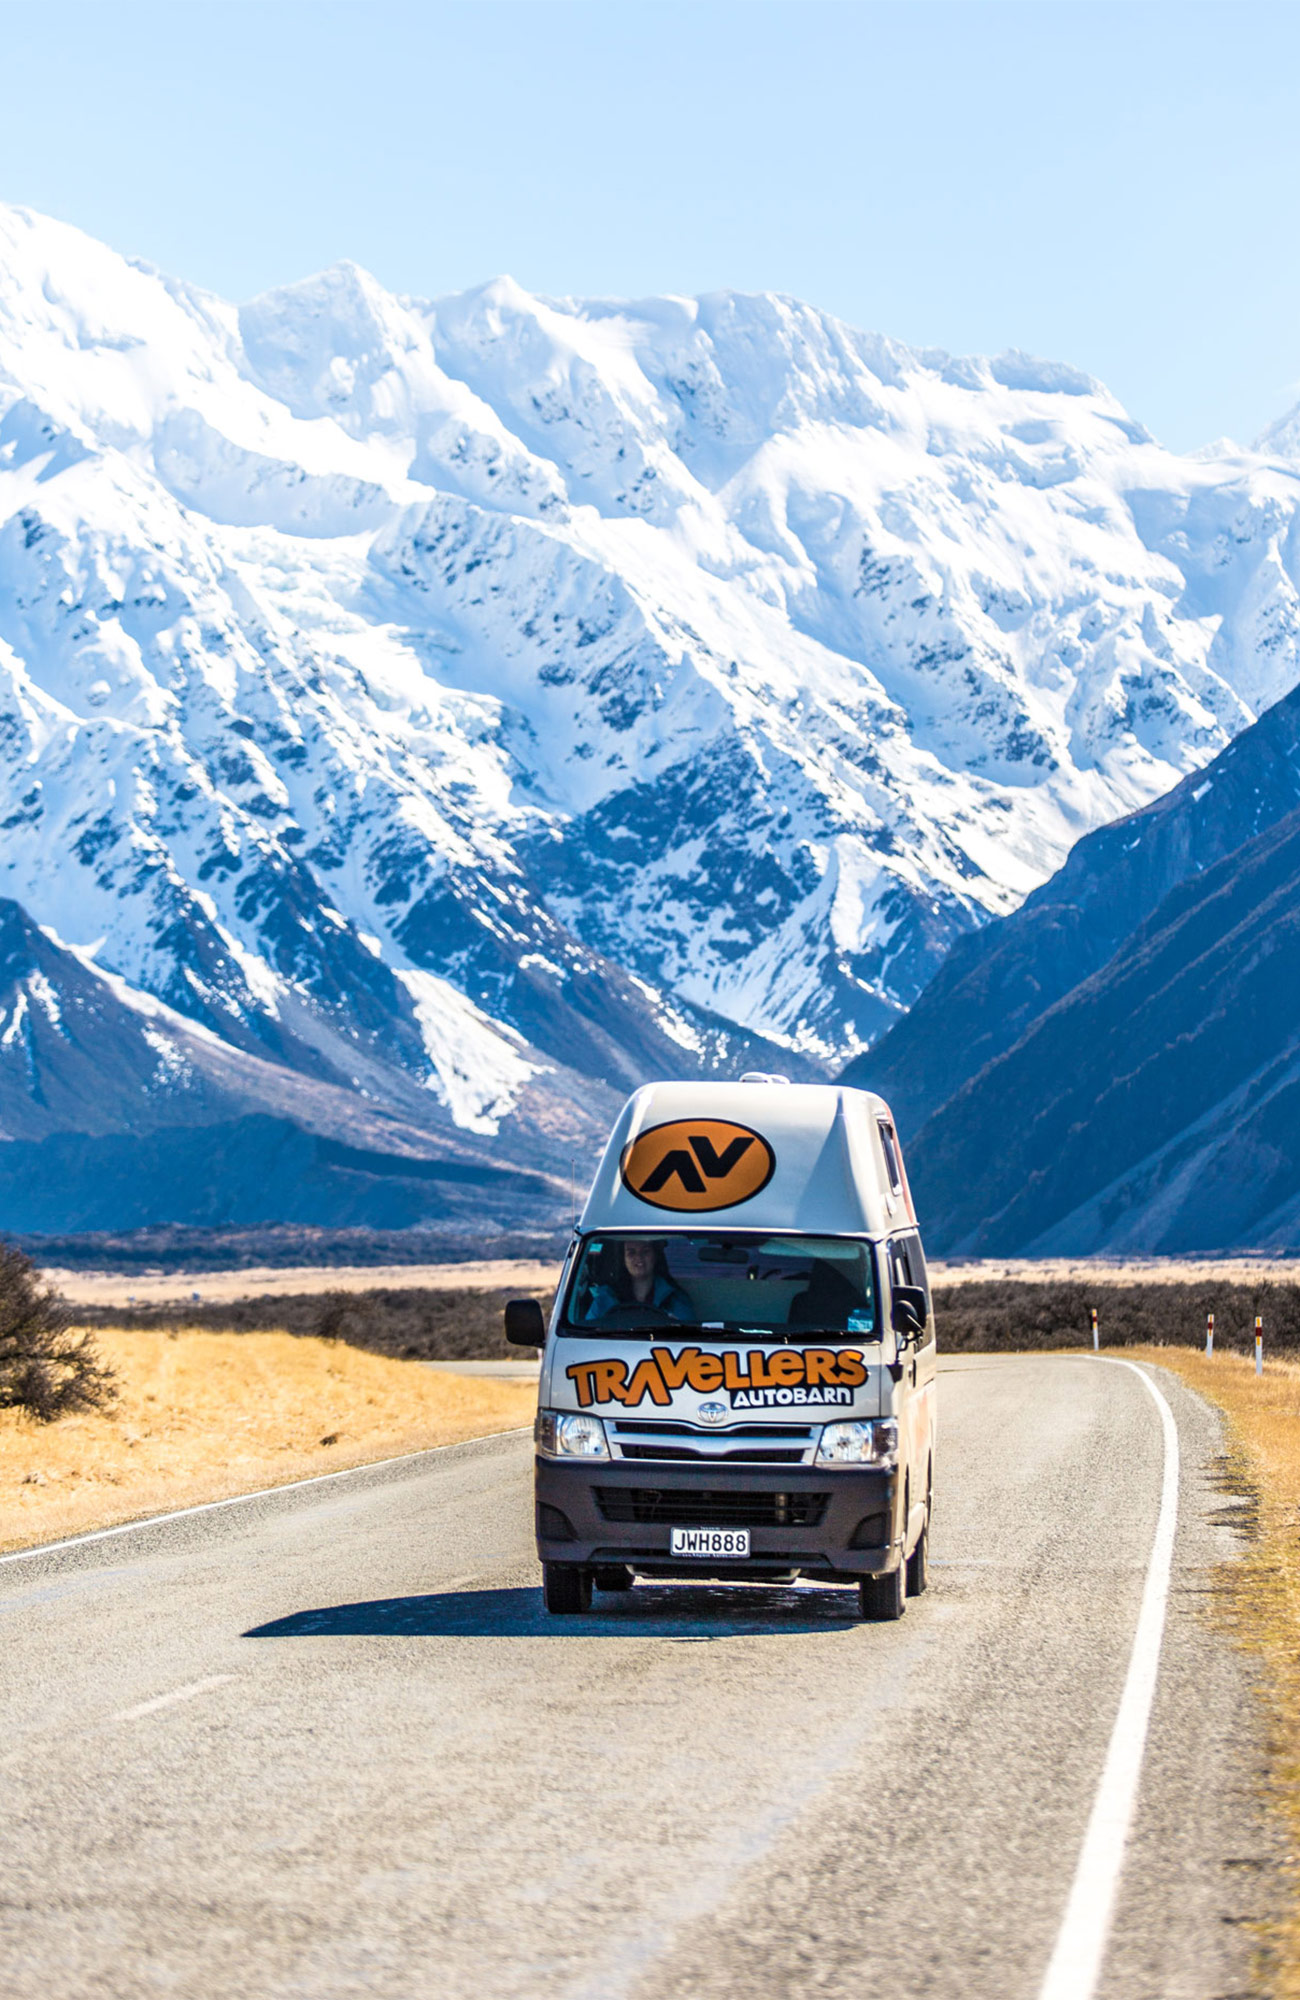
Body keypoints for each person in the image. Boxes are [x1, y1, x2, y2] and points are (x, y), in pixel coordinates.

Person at [585, 1238, 694, 1322]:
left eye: (645, 1251)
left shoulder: (675, 1299)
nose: (639, 1258)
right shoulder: (604, 1299)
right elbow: (587, 1336)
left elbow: (688, 1338)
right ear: (623, 1258)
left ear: (655, 1256)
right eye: (631, 1252)